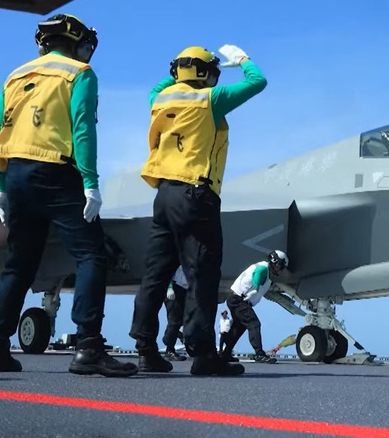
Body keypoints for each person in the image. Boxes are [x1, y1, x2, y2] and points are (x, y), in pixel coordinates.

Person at [0, 13, 138, 377]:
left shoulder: (16, 75)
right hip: (56, 170)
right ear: (77, 43)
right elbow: (82, 128)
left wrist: (0, 185)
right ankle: (88, 348)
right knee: (91, 254)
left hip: (17, 174)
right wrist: (91, 181)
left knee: (19, 262)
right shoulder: (79, 74)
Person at [129, 44, 268, 376]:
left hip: (163, 195)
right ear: (205, 73)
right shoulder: (211, 99)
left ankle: (146, 349)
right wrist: (244, 61)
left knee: (156, 274)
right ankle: (203, 354)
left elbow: (156, 88)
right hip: (196, 195)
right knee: (202, 275)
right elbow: (258, 82)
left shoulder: (160, 99)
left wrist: (177, 71)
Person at [222, 250, 289, 364]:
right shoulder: (263, 268)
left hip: (236, 299)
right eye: (281, 267)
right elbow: (257, 274)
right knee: (254, 324)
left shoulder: (265, 269)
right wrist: (255, 288)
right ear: (276, 263)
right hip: (239, 300)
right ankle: (259, 354)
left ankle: (225, 353)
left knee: (239, 328)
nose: (281, 270)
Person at [162, 267, 188, 361]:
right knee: (174, 321)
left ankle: (168, 338)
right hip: (174, 287)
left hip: (183, 289)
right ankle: (169, 350)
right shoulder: (176, 257)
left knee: (182, 320)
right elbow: (167, 272)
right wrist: (169, 287)